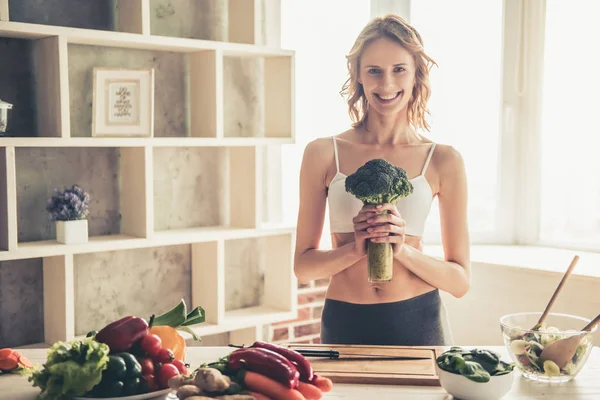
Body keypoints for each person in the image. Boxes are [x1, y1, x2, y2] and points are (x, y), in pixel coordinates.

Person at [293, 14, 471, 346]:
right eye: (374, 71)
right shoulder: (322, 153)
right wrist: (354, 249)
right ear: (358, 75)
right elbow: (303, 268)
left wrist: (402, 249)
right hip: (345, 319)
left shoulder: (444, 160)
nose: (386, 85)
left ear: (417, 73)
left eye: (398, 69)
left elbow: (460, 283)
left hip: (419, 320)